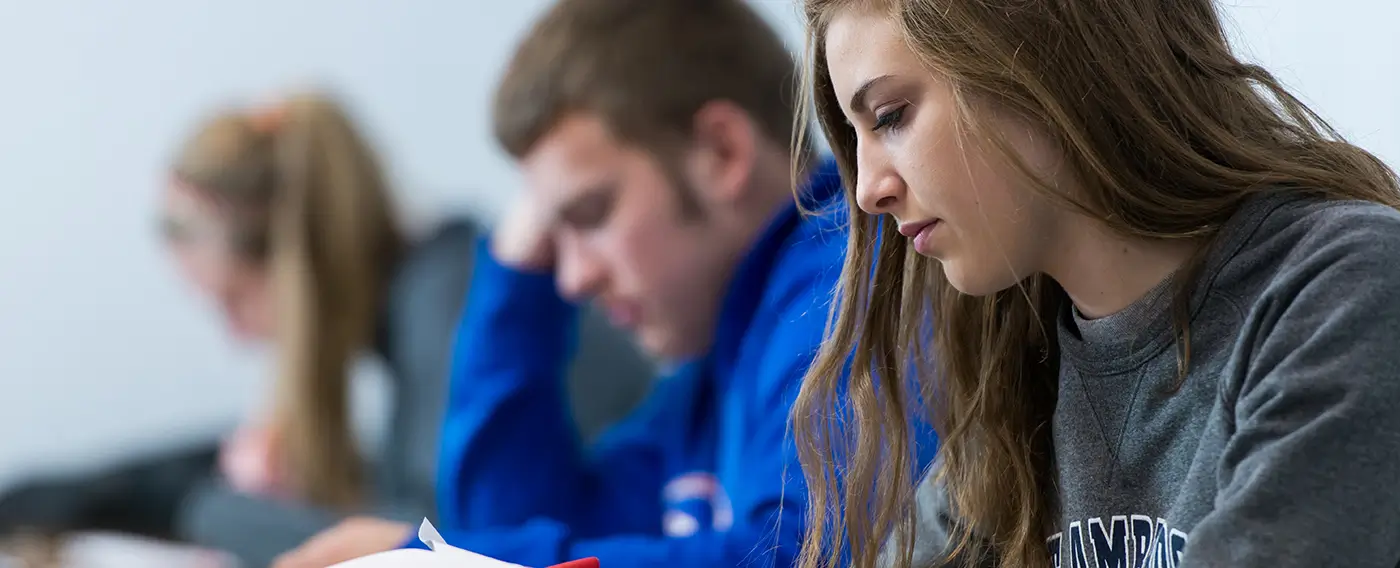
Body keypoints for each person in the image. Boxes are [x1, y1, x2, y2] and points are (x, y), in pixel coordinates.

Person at [788, 1, 1400, 567]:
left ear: (1036, 60)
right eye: (855, 136)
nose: (870, 189)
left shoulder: (1355, 286)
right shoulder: (1019, 375)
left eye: (892, 114)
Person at [269, 1, 925, 567]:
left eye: (589, 214)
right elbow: (522, 524)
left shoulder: (848, 278)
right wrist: (516, 279)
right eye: (555, 238)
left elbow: (801, 558)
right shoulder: (704, 376)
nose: (574, 277)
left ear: (721, 153)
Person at [0, 92, 655, 568]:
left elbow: (438, 548)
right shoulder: (432, 291)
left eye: (234, 300)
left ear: (293, 268)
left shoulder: (449, 306)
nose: (237, 336)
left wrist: (201, 509)